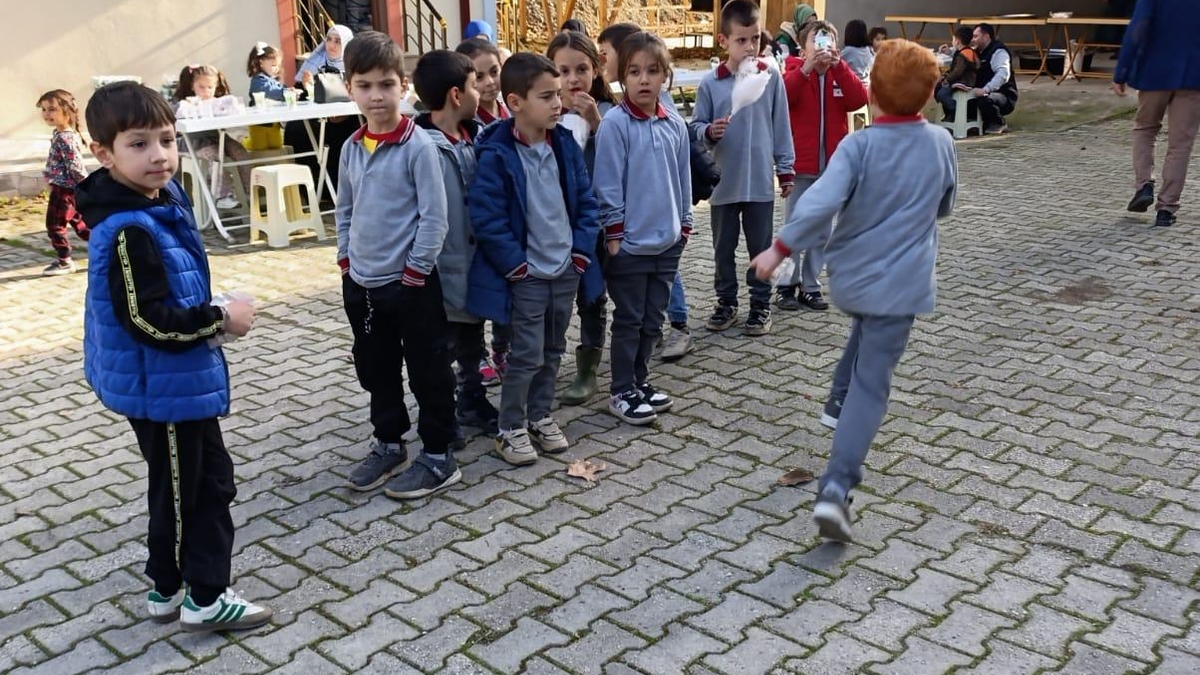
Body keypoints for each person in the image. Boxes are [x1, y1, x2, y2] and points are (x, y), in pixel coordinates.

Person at [77, 81, 273, 631]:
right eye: (138, 144)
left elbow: (162, 297)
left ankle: (167, 588)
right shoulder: (127, 228)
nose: (159, 155)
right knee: (201, 488)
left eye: (167, 139)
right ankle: (206, 598)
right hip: (163, 387)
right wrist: (220, 319)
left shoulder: (158, 202)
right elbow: (147, 321)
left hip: (172, 381)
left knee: (179, 484)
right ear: (103, 152)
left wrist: (204, 301)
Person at [749, 40, 957, 543]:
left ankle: (836, 401)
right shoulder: (942, 143)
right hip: (901, 284)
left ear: (872, 95)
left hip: (853, 280)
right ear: (929, 97)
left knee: (866, 327)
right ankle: (835, 489)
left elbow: (819, 200)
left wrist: (779, 249)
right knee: (875, 383)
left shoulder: (857, 146)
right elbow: (945, 205)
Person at [336, 31, 461, 499]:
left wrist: (413, 272)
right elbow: (345, 210)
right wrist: (346, 260)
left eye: (386, 84)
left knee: (429, 370)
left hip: (411, 285)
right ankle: (389, 442)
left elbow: (435, 218)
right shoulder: (350, 148)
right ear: (350, 88)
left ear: (403, 86)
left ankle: (438, 454)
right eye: (365, 85)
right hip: (363, 283)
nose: (376, 95)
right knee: (377, 368)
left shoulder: (418, 146)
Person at [465, 53, 601, 466]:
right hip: (526, 275)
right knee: (525, 353)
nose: (558, 104)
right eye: (547, 97)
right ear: (516, 102)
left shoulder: (563, 144)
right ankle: (510, 428)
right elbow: (486, 217)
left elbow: (587, 203)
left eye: (558, 95)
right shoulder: (496, 154)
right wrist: (516, 266)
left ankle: (540, 416)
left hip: (565, 270)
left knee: (554, 347)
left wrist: (579, 255)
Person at [594, 31, 692, 425]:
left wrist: (683, 226)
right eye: (635, 72)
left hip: (667, 244)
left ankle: (640, 381)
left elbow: (683, 178)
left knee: (653, 320)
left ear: (665, 76)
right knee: (630, 319)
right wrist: (615, 236)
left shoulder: (675, 125)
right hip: (629, 247)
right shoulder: (615, 124)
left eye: (653, 71)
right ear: (623, 77)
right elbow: (607, 184)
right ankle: (621, 390)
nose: (644, 80)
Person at [410, 50, 500, 442]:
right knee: (438, 352)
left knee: (470, 342)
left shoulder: (474, 136)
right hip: (438, 272)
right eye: (473, 83)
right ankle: (440, 415)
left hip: (473, 265)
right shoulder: (421, 147)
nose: (481, 90)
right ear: (456, 95)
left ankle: (471, 400)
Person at [691, 0, 795, 336]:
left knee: (760, 248)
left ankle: (761, 305)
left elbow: (782, 126)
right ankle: (726, 303)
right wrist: (709, 131)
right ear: (723, 41)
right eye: (741, 40)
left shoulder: (770, 77)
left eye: (755, 39)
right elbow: (695, 128)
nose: (750, 47)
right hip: (723, 185)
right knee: (723, 249)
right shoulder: (711, 83)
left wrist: (786, 169)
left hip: (759, 185)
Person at [776, 20, 868, 313]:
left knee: (822, 231)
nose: (822, 48)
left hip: (831, 168)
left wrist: (840, 67)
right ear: (803, 48)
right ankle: (785, 285)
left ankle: (811, 285)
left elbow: (859, 100)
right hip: (800, 166)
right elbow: (784, 98)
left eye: (827, 41)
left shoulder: (841, 75)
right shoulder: (793, 72)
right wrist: (805, 70)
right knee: (795, 226)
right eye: (816, 42)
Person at [548, 30, 618, 406]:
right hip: (555, 228)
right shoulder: (545, 114)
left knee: (593, 297)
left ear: (596, 69)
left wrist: (594, 121)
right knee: (554, 299)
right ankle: (545, 362)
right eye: (563, 70)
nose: (573, 79)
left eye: (581, 69)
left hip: (600, 226)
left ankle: (589, 366)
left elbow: (623, 158)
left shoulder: (609, 113)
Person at [1113, 0, 1200, 228]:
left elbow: (1138, 27)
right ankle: (1167, 208)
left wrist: (1122, 70)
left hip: (1155, 71)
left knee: (1145, 129)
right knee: (1181, 144)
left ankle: (1144, 185)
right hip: (1194, 76)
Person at [171, 65, 252, 210]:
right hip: (195, 141)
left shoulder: (217, 103)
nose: (206, 92)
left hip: (218, 137)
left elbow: (232, 109)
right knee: (215, 156)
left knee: (241, 152)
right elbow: (175, 115)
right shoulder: (187, 103)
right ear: (192, 85)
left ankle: (250, 191)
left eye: (210, 87)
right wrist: (189, 110)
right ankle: (223, 196)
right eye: (201, 87)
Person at [293, 26, 359, 191]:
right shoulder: (316, 62)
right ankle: (311, 190)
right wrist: (306, 85)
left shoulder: (355, 65)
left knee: (342, 133)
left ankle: (340, 190)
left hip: (348, 117)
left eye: (337, 41)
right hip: (319, 117)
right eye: (329, 39)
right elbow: (302, 96)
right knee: (297, 130)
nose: (331, 45)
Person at [36, 89, 89, 276]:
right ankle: (108, 247)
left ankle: (65, 261)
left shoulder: (65, 137)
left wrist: (86, 186)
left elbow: (75, 166)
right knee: (81, 225)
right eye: (43, 109)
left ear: (67, 111)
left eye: (51, 109)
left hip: (65, 190)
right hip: (63, 188)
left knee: (54, 226)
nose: (46, 114)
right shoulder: (60, 134)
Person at [967, 23, 1018, 134]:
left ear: (986, 36)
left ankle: (999, 122)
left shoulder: (999, 51)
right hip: (980, 91)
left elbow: (1003, 74)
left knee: (984, 100)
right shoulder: (976, 51)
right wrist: (949, 51)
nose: (973, 39)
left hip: (1002, 95)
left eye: (976, 36)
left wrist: (986, 89)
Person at [935, 27, 981, 121]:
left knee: (942, 94)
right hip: (960, 80)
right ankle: (949, 114)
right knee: (938, 88)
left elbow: (958, 71)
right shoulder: (963, 52)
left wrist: (947, 80)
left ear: (957, 41)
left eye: (953, 39)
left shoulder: (965, 53)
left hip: (965, 82)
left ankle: (957, 111)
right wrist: (945, 77)